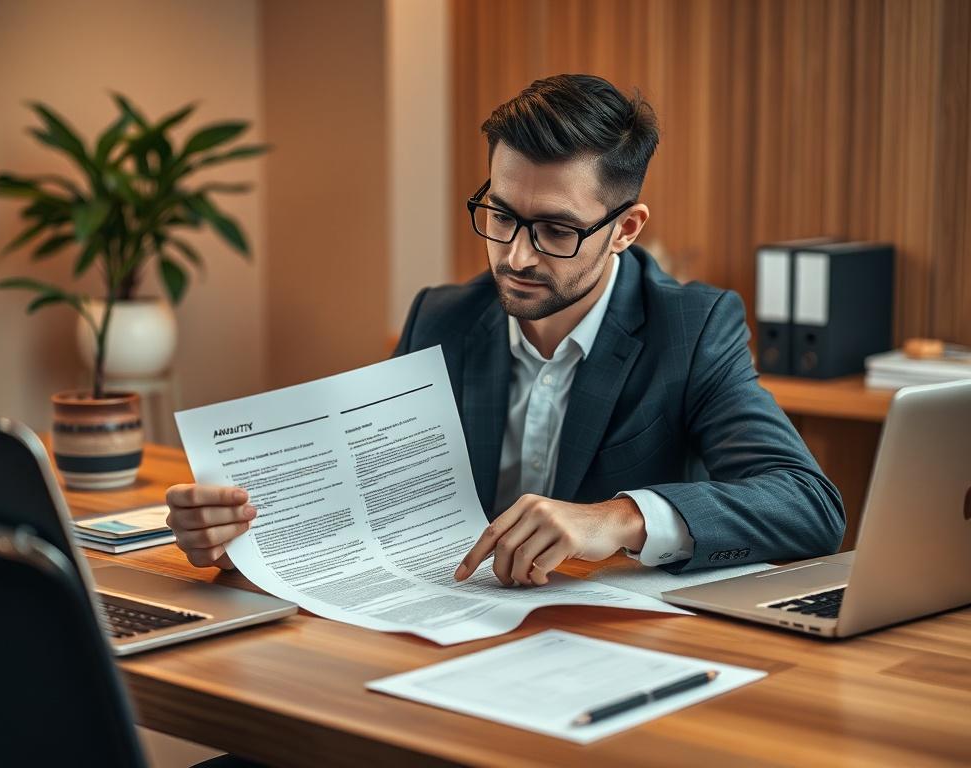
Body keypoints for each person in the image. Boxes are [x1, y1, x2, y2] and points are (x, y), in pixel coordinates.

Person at [166, 74, 844, 587]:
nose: (514, 257)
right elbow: (374, 505)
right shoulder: (442, 317)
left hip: (618, 661)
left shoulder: (691, 327)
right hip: (446, 636)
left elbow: (809, 505)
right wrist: (248, 540)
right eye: (500, 214)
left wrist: (617, 518)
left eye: (555, 229)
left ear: (626, 230)